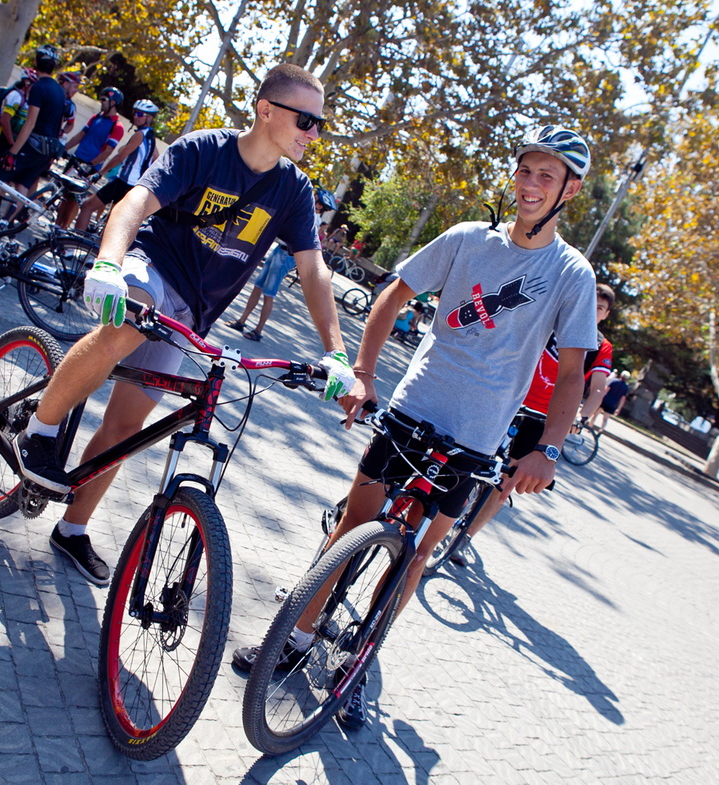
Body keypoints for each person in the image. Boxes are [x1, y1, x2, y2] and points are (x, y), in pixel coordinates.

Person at [232, 124, 598, 730]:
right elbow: (391, 298)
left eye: (547, 177)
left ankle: (357, 658)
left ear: (570, 191)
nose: (530, 186)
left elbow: (571, 377)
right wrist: (363, 373)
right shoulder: (465, 239)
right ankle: (296, 637)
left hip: (477, 437)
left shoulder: (571, 273)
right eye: (525, 171)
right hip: (411, 408)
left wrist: (550, 451)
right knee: (354, 523)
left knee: (418, 553)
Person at [10, 63, 355, 586]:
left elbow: (314, 270)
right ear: (266, 110)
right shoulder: (203, 149)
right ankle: (39, 429)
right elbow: (137, 201)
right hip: (152, 268)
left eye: (319, 125)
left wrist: (336, 353)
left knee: (127, 426)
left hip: (193, 310)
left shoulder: (293, 190)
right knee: (126, 327)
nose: (314, 134)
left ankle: (72, 529)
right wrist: (107, 262)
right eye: (306, 121)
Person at [448, 282, 615, 567]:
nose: (592, 310)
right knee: (463, 453)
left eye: (599, 308)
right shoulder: (553, 320)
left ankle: (464, 538)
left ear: (605, 315)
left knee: (509, 481)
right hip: (507, 398)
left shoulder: (600, 347)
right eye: (590, 303)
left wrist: (581, 419)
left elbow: (597, 388)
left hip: (543, 417)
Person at [0, 44, 65, 229]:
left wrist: (13, 152)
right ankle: (3, 227)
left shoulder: (38, 87)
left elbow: (30, 123)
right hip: (47, 150)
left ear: (35, 62)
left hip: (32, 145)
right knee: (22, 185)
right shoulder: (59, 90)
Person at [224, 186, 337, 341]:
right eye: (317, 201)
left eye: (319, 203)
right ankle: (242, 321)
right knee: (258, 286)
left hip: (287, 254)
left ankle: (258, 330)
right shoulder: (309, 213)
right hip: (280, 250)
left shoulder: (312, 217)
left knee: (269, 293)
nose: (316, 204)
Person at [73, 98, 158, 232]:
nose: (136, 116)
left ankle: (71, 247)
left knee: (87, 206)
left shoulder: (140, 134)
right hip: (134, 185)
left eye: (140, 114)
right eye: (135, 112)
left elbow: (120, 156)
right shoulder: (150, 137)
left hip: (123, 182)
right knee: (111, 222)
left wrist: (100, 173)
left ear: (149, 118)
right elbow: (155, 160)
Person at [56, 85, 125, 227]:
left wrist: (90, 165)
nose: (101, 102)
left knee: (75, 198)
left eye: (105, 100)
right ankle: (56, 226)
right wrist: (63, 148)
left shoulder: (117, 126)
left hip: (90, 166)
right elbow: (81, 135)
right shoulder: (95, 118)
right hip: (76, 160)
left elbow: (108, 151)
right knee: (64, 194)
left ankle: (64, 229)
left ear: (113, 102)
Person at [0, 67, 37, 165]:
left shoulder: (24, 97)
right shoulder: (16, 96)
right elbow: (5, 120)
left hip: (5, 138)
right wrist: (11, 143)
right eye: (34, 85)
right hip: (0, 136)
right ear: (27, 83)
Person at [57, 70, 81, 140]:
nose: (76, 91)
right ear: (66, 84)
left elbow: (70, 124)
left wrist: (62, 132)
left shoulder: (70, 106)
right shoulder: (49, 94)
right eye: (75, 87)